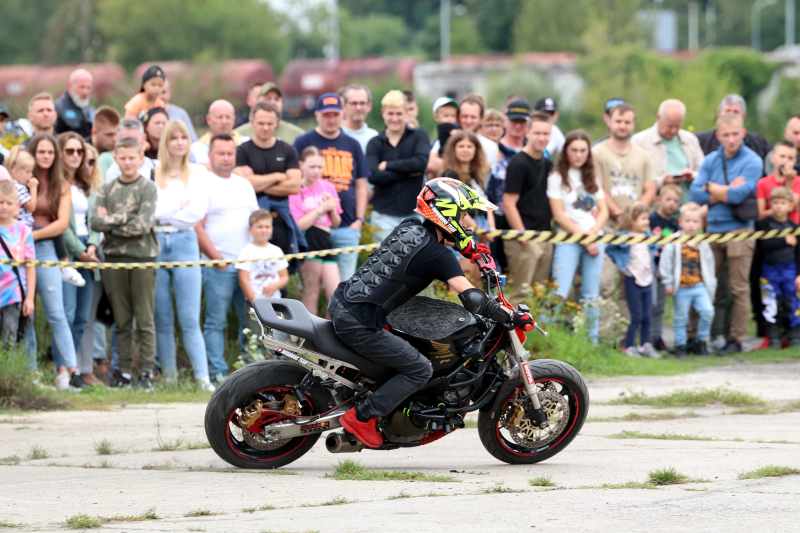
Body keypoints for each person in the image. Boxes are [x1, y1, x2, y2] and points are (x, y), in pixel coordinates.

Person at [329, 178, 534, 448]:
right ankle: (362, 416)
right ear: (446, 213)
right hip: (360, 323)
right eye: (463, 215)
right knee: (419, 369)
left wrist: (467, 247)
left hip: (342, 302)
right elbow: (470, 296)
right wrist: (507, 316)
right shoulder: (438, 255)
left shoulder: (410, 227)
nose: (468, 222)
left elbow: (424, 251)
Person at [690, 114, 763, 355]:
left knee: (737, 287)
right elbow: (694, 192)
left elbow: (738, 196)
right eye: (726, 135)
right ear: (718, 135)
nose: (731, 139)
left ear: (742, 133)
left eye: (735, 134)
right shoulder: (711, 159)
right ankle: (695, 338)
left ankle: (736, 338)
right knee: (700, 283)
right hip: (713, 230)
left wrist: (709, 187)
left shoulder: (752, 160)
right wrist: (722, 189)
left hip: (740, 230)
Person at [90, 136, 159, 389]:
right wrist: (127, 217)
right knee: (121, 320)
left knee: (144, 319)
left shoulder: (147, 187)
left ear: (141, 158)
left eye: (133, 157)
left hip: (142, 258)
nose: (128, 162)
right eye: (123, 158)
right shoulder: (105, 189)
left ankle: (147, 373)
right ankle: (125, 372)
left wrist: (113, 221)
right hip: (113, 259)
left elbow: (143, 225)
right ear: (115, 159)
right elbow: (95, 223)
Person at [152, 120, 213, 389]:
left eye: (183, 137)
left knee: (189, 318)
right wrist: (177, 206)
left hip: (186, 243)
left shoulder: (198, 173)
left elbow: (197, 212)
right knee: (162, 318)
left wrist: (167, 212)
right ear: (165, 142)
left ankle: (203, 377)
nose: (179, 142)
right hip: (155, 242)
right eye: (173, 137)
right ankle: (169, 377)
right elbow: (150, 213)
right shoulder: (152, 172)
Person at [195, 134, 259, 383]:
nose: (225, 158)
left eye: (229, 153)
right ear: (210, 156)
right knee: (216, 321)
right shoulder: (203, 184)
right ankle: (218, 372)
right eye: (220, 153)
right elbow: (197, 226)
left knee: (251, 320)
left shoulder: (244, 184)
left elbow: (255, 222)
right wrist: (215, 257)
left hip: (246, 267)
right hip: (217, 266)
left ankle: (250, 370)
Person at [25, 134, 87, 390]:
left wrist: (31, 236)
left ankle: (70, 370)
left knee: (57, 313)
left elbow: (61, 223)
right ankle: (29, 372)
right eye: (41, 152)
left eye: (51, 152)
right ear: (33, 153)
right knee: (26, 313)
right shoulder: (24, 179)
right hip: (19, 250)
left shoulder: (61, 185)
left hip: (45, 247)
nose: (46, 156)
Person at [294, 93, 368, 281]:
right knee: (310, 284)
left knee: (344, 284)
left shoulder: (352, 144)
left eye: (335, 114)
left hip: (346, 225)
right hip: (312, 225)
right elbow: (294, 180)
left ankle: (335, 313)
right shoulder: (303, 142)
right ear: (317, 115)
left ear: (342, 114)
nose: (332, 119)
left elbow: (360, 184)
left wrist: (359, 220)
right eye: (326, 115)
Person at [593, 103, 656, 320]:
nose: (622, 125)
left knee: (630, 286)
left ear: (634, 124)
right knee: (604, 284)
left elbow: (650, 188)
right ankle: (604, 333)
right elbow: (597, 186)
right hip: (607, 229)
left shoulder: (642, 156)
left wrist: (635, 213)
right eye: (618, 121)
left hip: (635, 233)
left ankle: (623, 339)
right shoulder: (597, 152)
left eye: (627, 122)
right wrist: (618, 212)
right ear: (609, 121)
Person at [547, 130, 609, 343]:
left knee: (591, 295)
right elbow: (558, 215)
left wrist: (592, 235)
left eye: (583, 150)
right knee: (559, 292)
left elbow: (604, 210)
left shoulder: (592, 176)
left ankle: (589, 342)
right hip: (569, 239)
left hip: (594, 238)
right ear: (566, 151)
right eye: (574, 150)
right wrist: (584, 237)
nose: (579, 155)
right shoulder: (556, 177)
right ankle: (547, 339)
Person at [55, 132, 102, 383]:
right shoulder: (56, 184)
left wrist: (92, 246)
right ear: (60, 154)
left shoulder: (86, 184)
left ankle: (72, 369)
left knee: (83, 316)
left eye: (79, 151)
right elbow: (61, 225)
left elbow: (95, 218)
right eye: (69, 151)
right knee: (67, 312)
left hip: (89, 251)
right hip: (68, 250)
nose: (75, 156)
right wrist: (80, 252)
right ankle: (64, 369)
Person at [234, 102, 303, 269]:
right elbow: (242, 185)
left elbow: (294, 186)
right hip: (249, 222)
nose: (265, 127)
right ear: (251, 122)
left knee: (281, 273)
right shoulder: (242, 151)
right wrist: (278, 176)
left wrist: (257, 182)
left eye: (269, 123)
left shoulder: (287, 150)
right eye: (261, 123)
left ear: (277, 123)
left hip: (279, 221)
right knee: (250, 273)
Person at [366, 90, 430, 242]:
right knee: (388, 263)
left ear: (407, 113)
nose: (395, 118)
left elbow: (421, 163)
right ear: (383, 113)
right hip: (383, 215)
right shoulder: (374, 143)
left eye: (399, 114)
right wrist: (409, 172)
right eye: (391, 114)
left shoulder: (419, 136)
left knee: (415, 262)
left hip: (414, 213)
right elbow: (374, 176)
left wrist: (388, 165)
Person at [503, 113, 554, 306]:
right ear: (527, 133)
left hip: (545, 236)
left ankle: (533, 336)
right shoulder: (519, 163)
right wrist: (524, 238)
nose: (541, 138)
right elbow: (509, 204)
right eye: (537, 133)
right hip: (523, 239)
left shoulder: (548, 164)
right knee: (520, 295)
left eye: (546, 133)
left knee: (537, 296)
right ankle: (512, 336)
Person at [659, 202, 717, 357]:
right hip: (681, 288)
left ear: (701, 223)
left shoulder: (702, 243)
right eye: (688, 221)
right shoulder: (674, 241)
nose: (691, 225)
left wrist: (712, 285)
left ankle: (701, 341)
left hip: (700, 286)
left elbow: (710, 265)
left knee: (708, 312)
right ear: (680, 222)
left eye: (695, 221)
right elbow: (665, 263)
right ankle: (681, 345)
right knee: (680, 318)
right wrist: (668, 283)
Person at [289, 147, 342, 316]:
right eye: (312, 167)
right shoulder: (296, 189)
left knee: (336, 296)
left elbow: (336, 224)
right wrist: (321, 209)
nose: (316, 171)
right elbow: (298, 225)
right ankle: (308, 337)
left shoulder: (327, 187)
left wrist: (331, 209)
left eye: (320, 167)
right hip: (309, 241)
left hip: (326, 241)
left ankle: (330, 336)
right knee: (311, 292)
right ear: (301, 165)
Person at [605, 204, 660, 358]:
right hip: (632, 279)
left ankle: (645, 345)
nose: (646, 222)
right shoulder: (624, 237)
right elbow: (609, 248)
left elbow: (654, 247)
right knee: (635, 316)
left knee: (647, 315)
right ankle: (628, 346)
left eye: (647, 218)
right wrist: (620, 263)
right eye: (643, 219)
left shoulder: (648, 237)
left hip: (648, 280)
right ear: (632, 220)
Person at [631, 99, 705, 207]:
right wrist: (662, 182)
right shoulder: (639, 141)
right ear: (659, 117)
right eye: (670, 126)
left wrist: (692, 176)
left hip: (688, 214)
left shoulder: (690, 140)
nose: (674, 131)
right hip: (655, 212)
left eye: (678, 126)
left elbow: (704, 172)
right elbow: (633, 180)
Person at [441, 130, 494, 280]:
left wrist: (490, 228)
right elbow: (457, 208)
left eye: (470, 146)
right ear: (453, 149)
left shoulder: (476, 174)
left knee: (478, 276)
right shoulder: (450, 175)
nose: (465, 150)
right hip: (463, 228)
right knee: (464, 276)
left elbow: (486, 202)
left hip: (481, 227)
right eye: (461, 146)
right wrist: (476, 230)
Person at [487, 100, 531, 270]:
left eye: (522, 122)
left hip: (525, 216)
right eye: (514, 121)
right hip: (495, 216)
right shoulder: (495, 147)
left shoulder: (534, 149)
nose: (518, 126)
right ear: (506, 121)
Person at [755, 187, 800, 348]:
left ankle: (793, 336)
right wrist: (784, 240)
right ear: (770, 204)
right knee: (771, 303)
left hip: (790, 270)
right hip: (770, 270)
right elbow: (764, 245)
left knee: (792, 302)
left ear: (790, 206)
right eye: (775, 203)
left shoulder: (794, 226)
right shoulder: (763, 224)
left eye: (783, 203)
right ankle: (773, 337)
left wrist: (798, 275)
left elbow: (798, 251)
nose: (779, 206)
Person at [0, 180, 35, 346]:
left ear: (17, 205)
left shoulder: (24, 231)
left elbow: (30, 266)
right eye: (0, 202)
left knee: (9, 341)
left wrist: (29, 298)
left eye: (9, 203)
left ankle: (8, 372)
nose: (4, 207)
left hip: (13, 295)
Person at [427, 97, 499, 177]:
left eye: (473, 117)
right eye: (464, 116)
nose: (468, 121)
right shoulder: (447, 137)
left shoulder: (490, 146)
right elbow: (430, 165)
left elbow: (478, 171)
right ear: (457, 118)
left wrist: (446, 165)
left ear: (481, 119)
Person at [648, 184, 682, 351]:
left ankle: (657, 336)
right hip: (650, 266)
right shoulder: (651, 220)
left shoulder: (676, 226)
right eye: (668, 199)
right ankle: (645, 337)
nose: (671, 204)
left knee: (661, 305)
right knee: (651, 302)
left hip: (665, 269)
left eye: (676, 201)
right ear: (659, 200)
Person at [236, 208, 289, 306]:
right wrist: (255, 303)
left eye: (267, 227)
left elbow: (284, 276)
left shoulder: (277, 251)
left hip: (276, 303)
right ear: (250, 230)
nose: (264, 230)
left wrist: (275, 285)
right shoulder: (245, 252)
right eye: (259, 227)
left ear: (272, 229)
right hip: (254, 304)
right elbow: (243, 281)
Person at [696, 94, 772, 161]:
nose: (731, 115)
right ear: (719, 113)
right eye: (727, 111)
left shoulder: (760, 144)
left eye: (736, 112)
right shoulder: (699, 141)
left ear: (744, 116)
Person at [234, 83, 305, 145]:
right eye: (268, 98)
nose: (273, 102)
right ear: (258, 102)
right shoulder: (239, 134)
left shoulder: (298, 135)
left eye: (276, 99)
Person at [191, 100, 246, 165]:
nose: (224, 122)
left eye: (228, 117)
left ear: (234, 120)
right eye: (219, 117)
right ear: (208, 119)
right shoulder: (198, 147)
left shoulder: (246, 143)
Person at [758, 141, 800, 223]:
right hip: (770, 229)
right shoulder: (762, 183)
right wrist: (781, 208)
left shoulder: (797, 181)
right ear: (772, 158)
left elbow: (792, 206)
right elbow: (760, 214)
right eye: (782, 156)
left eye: (790, 158)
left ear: (795, 161)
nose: (785, 161)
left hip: (791, 228)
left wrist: (789, 181)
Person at [54, 69, 94, 138]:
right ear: (70, 86)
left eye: (89, 88)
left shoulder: (92, 111)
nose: (85, 92)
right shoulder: (56, 108)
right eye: (82, 87)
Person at [341, 85, 378, 154]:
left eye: (362, 103)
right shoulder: (335, 134)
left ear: (369, 106)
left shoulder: (374, 137)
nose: (358, 108)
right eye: (354, 103)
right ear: (344, 106)